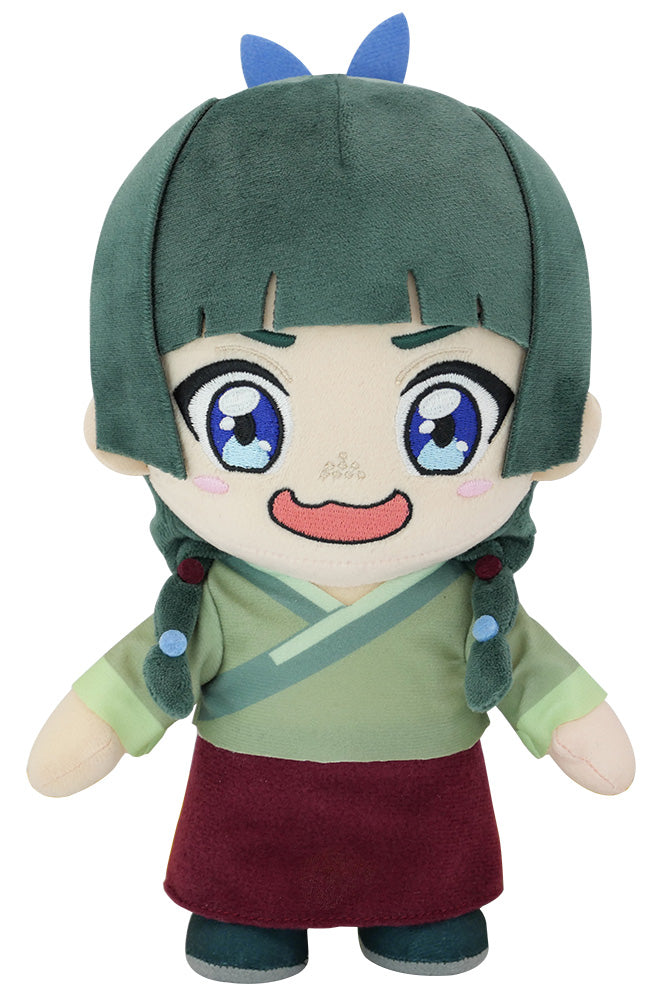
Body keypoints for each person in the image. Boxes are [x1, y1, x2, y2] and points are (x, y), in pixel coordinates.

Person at [27, 18, 635, 983]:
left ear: (558, 428)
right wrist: (93, 727)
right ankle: (250, 916)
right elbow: (140, 673)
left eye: (444, 418)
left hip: (426, 804)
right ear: (126, 422)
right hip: (249, 806)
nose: (337, 480)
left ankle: (420, 912)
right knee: (244, 906)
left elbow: (529, 669)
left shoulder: (469, 596)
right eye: (242, 418)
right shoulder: (213, 599)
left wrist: (571, 722)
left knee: (429, 901)